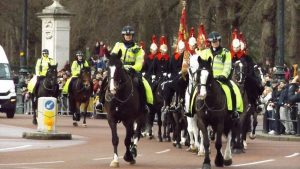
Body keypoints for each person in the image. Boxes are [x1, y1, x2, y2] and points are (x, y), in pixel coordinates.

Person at [97, 25, 153, 112]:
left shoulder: (138, 49)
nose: (128, 37)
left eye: (130, 35)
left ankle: (145, 105)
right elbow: (113, 57)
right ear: (123, 36)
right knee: (105, 80)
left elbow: (139, 62)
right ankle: (101, 102)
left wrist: (133, 68)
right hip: (119, 69)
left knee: (142, 84)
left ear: (132, 36)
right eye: (126, 35)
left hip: (132, 70)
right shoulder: (118, 45)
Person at [199, 31, 242, 119]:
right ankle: (191, 109)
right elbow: (201, 65)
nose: (215, 43)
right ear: (210, 43)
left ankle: (233, 110)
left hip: (221, 79)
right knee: (196, 90)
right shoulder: (205, 52)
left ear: (219, 41)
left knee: (232, 90)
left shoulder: (226, 52)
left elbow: (227, 65)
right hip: (207, 79)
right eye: (213, 42)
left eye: (216, 41)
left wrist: (223, 75)